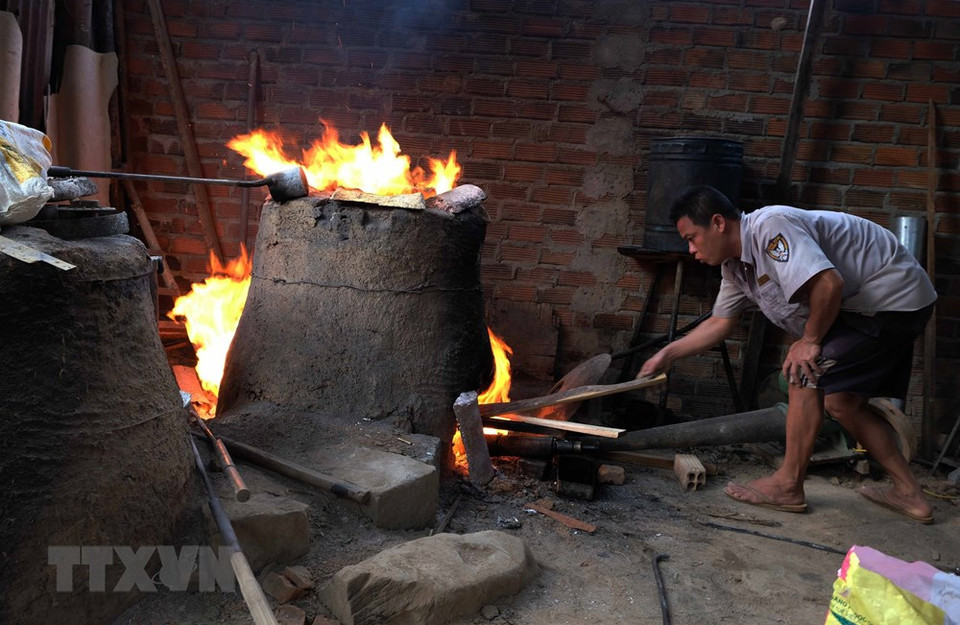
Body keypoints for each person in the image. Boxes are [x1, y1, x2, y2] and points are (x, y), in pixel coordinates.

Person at [638, 185, 938, 523]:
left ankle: (789, 485)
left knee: (802, 372)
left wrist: (810, 339)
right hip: (875, 307)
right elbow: (720, 323)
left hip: (891, 300)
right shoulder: (736, 268)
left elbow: (828, 284)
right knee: (841, 404)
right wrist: (667, 355)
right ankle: (909, 494)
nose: (691, 249)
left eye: (692, 238)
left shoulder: (771, 227)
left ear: (718, 223)